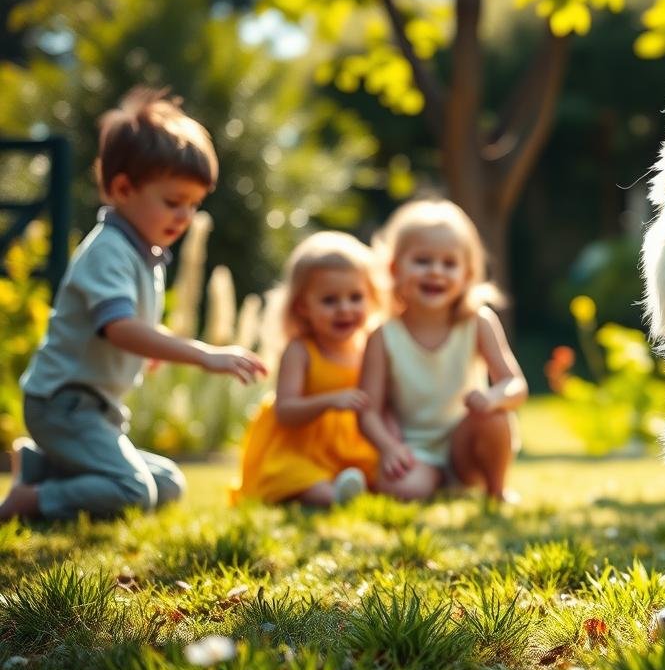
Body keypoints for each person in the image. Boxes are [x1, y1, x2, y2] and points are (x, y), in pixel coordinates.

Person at [1, 87, 266, 521]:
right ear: (123, 188)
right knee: (132, 491)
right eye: (173, 202)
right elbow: (120, 328)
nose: (185, 217)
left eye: (194, 205)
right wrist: (202, 354)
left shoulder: (145, 252)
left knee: (167, 485)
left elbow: (127, 329)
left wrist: (148, 355)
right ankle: (34, 501)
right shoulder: (108, 250)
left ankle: (39, 469)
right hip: (63, 404)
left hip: (94, 409)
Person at [358, 199, 528, 503]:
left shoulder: (478, 322)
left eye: (449, 264)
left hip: (467, 441)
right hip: (414, 448)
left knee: (495, 417)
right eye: (422, 261)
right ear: (395, 268)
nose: (436, 272)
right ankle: (435, 480)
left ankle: (496, 490)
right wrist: (389, 448)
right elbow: (369, 410)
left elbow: (515, 386)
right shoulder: (383, 336)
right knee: (403, 490)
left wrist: (491, 398)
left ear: (467, 274)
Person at [231, 231, 384, 507]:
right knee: (299, 478)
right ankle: (332, 495)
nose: (344, 309)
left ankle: (349, 486)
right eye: (329, 300)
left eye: (355, 297)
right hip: (300, 448)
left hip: (349, 443)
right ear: (302, 306)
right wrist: (330, 401)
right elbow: (286, 411)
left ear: (371, 296)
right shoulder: (300, 351)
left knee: (379, 468)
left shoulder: (370, 346)